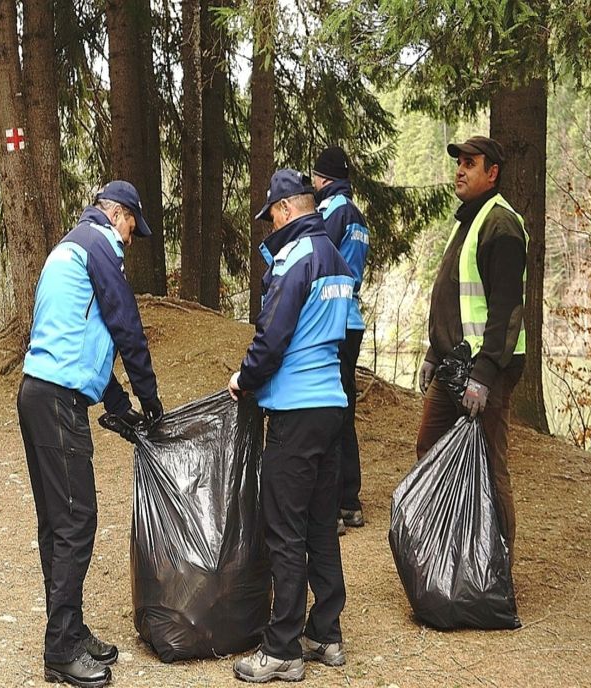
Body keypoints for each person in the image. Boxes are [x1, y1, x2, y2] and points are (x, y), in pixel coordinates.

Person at [18, 180, 163, 688]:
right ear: (116, 214)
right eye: (131, 227)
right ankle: (60, 650)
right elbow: (126, 325)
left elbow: (86, 342)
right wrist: (150, 398)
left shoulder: (68, 247)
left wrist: (121, 407)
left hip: (40, 393)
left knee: (58, 523)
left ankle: (71, 631)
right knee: (77, 522)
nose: (129, 238)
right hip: (57, 400)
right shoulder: (99, 244)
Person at [228, 169, 354, 683]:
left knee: (284, 528)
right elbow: (342, 336)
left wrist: (245, 380)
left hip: (295, 410)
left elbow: (273, 337)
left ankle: (282, 647)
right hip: (331, 407)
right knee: (322, 524)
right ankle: (326, 632)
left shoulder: (294, 257)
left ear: (284, 210)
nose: (270, 226)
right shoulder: (339, 260)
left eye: (271, 216)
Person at [417, 136, 527, 565]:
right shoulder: (470, 219)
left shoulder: (501, 225)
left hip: (487, 370)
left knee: (490, 464)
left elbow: (505, 311)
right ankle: (447, 551)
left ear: (492, 172)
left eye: (470, 163)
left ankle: (496, 567)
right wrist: (433, 351)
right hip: (454, 365)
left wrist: (483, 376)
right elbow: (452, 297)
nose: (460, 170)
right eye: (458, 163)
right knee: (430, 448)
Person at [312, 146, 370, 533]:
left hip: (334, 319)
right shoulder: (358, 215)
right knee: (344, 408)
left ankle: (331, 505)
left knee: (330, 410)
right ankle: (350, 499)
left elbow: (317, 258)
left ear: (325, 179)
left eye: (315, 177)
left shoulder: (332, 211)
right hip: (352, 319)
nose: (312, 184)